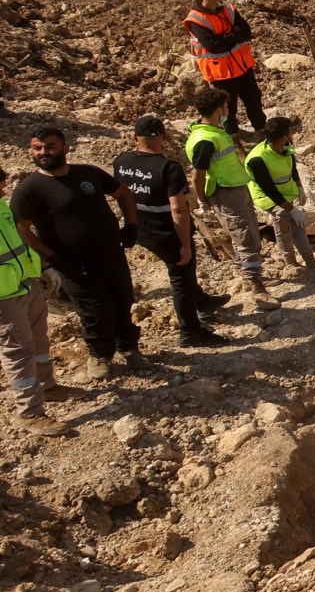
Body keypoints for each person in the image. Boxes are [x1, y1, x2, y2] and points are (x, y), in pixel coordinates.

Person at [8, 126, 143, 381]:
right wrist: (51, 258)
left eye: (50, 147)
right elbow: (20, 227)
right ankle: (99, 355)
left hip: (112, 255)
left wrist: (131, 226)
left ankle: (129, 349)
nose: (43, 152)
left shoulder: (88, 173)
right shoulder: (30, 188)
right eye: (37, 148)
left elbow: (123, 192)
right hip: (73, 264)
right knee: (94, 311)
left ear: (65, 149)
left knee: (122, 302)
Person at [114, 115, 229, 347]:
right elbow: (178, 210)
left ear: (135, 137)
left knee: (183, 275)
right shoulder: (168, 168)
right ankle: (191, 331)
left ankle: (202, 301)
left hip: (137, 225)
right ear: (164, 138)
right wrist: (185, 243)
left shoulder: (121, 161)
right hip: (165, 230)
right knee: (181, 276)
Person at [0, 166, 72, 437]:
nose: (3, 191)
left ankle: (48, 386)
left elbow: (18, 243)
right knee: (18, 352)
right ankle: (29, 412)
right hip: (4, 297)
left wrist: (42, 268)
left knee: (39, 339)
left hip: (26, 285)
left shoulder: (1, 206)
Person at [186, 86, 274, 301]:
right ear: (218, 110)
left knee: (247, 232)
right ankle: (257, 288)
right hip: (226, 194)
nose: (229, 110)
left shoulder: (215, 132)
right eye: (226, 106)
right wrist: (202, 200)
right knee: (246, 238)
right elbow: (197, 175)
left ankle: (248, 278)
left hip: (236, 189)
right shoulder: (205, 140)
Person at [246, 117, 315, 282]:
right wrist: (292, 210)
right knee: (290, 219)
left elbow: (291, 164)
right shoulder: (258, 159)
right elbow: (269, 189)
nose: (292, 134)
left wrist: (299, 187)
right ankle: (307, 264)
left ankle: (294, 262)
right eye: (290, 131)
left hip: (284, 193)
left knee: (288, 222)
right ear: (284, 136)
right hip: (266, 196)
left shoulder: (285, 146)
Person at [183, 0, 267, 134]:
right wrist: (233, 35)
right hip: (221, 74)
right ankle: (233, 138)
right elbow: (214, 46)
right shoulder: (196, 20)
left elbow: (246, 31)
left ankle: (261, 130)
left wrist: (225, 38)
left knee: (254, 100)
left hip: (242, 67)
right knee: (228, 109)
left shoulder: (228, 9)